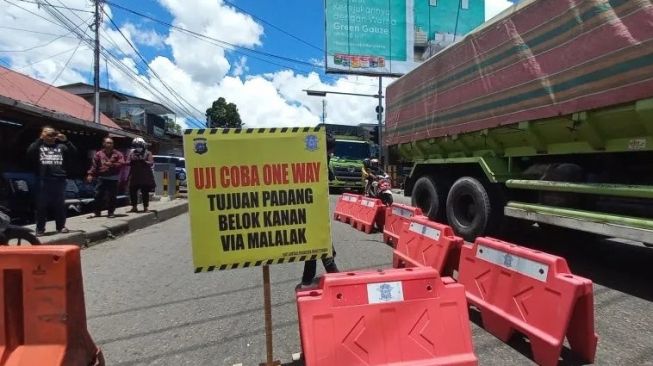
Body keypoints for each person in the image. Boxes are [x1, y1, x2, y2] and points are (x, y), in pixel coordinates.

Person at [297, 132, 339, 290]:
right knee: (317, 240)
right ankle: (312, 278)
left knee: (318, 240)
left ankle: (310, 278)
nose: (331, 153)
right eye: (330, 150)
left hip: (317, 204)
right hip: (311, 204)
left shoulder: (322, 157)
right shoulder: (314, 159)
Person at [26, 126, 77, 235]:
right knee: (41, 206)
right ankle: (40, 229)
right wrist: (40, 139)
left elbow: (74, 152)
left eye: (53, 134)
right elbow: (30, 152)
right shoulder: (39, 146)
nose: (51, 137)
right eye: (48, 134)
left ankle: (61, 226)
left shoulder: (61, 146)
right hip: (43, 180)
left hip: (59, 180)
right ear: (43, 134)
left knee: (59, 205)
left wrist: (66, 141)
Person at [87, 137, 125, 218]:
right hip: (102, 178)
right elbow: (94, 166)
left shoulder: (117, 154)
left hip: (113, 178)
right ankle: (97, 212)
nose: (110, 144)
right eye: (108, 143)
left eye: (111, 143)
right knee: (98, 195)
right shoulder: (99, 154)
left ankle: (111, 212)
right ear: (104, 144)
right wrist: (90, 174)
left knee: (112, 196)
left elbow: (122, 163)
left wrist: (112, 164)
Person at [126, 137, 155, 213]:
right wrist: (132, 161)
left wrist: (144, 161)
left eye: (139, 145)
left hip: (145, 177)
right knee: (132, 192)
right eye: (136, 145)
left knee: (145, 192)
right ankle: (134, 207)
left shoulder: (148, 153)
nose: (138, 147)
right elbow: (127, 162)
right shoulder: (132, 153)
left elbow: (151, 163)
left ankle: (145, 207)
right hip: (134, 176)